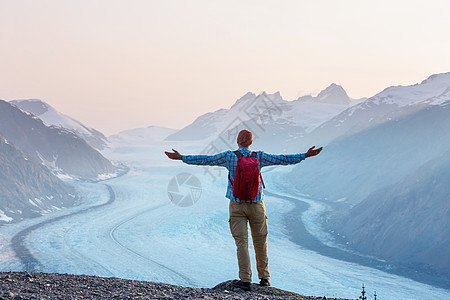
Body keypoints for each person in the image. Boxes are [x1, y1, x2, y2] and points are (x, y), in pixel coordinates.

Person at [165, 130, 322, 290]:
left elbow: (206, 160)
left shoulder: (229, 156)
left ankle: (245, 279)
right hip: (257, 205)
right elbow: (283, 159)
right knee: (260, 242)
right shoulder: (259, 156)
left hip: (237, 205)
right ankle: (265, 278)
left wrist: (182, 157)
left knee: (242, 243)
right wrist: (305, 155)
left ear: (237, 141)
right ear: (251, 143)